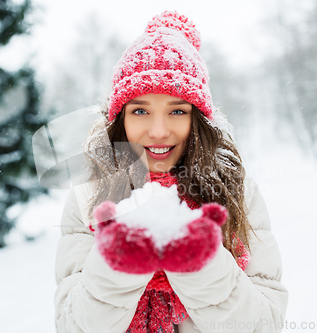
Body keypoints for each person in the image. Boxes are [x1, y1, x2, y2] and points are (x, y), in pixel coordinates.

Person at [54, 10, 288, 333]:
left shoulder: (235, 188)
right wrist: (118, 264)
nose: (159, 131)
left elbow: (265, 324)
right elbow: (71, 326)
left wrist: (202, 265)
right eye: (140, 110)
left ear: (198, 119)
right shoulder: (92, 191)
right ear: (121, 118)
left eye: (177, 110)